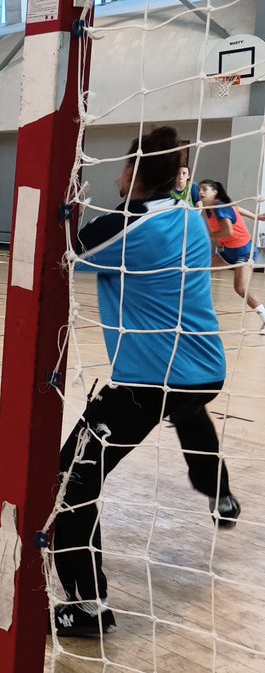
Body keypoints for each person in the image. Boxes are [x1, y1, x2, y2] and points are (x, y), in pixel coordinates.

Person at [51, 126, 238, 638]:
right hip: (205, 371)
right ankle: (219, 492)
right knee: (188, 413)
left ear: (135, 172)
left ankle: (89, 608)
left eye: (123, 166)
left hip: (150, 382)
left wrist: (68, 210)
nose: (116, 174)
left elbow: (67, 252)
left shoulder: (129, 230)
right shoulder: (190, 221)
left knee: (68, 481)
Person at [197, 179, 265, 333]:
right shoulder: (213, 207)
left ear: (214, 192)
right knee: (200, 270)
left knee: (240, 288)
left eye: (205, 189)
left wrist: (207, 237)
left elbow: (228, 231)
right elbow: (237, 208)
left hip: (244, 252)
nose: (201, 192)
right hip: (229, 251)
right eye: (200, 189)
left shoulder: (220, 207)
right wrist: (256, 216)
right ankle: (198, 309)